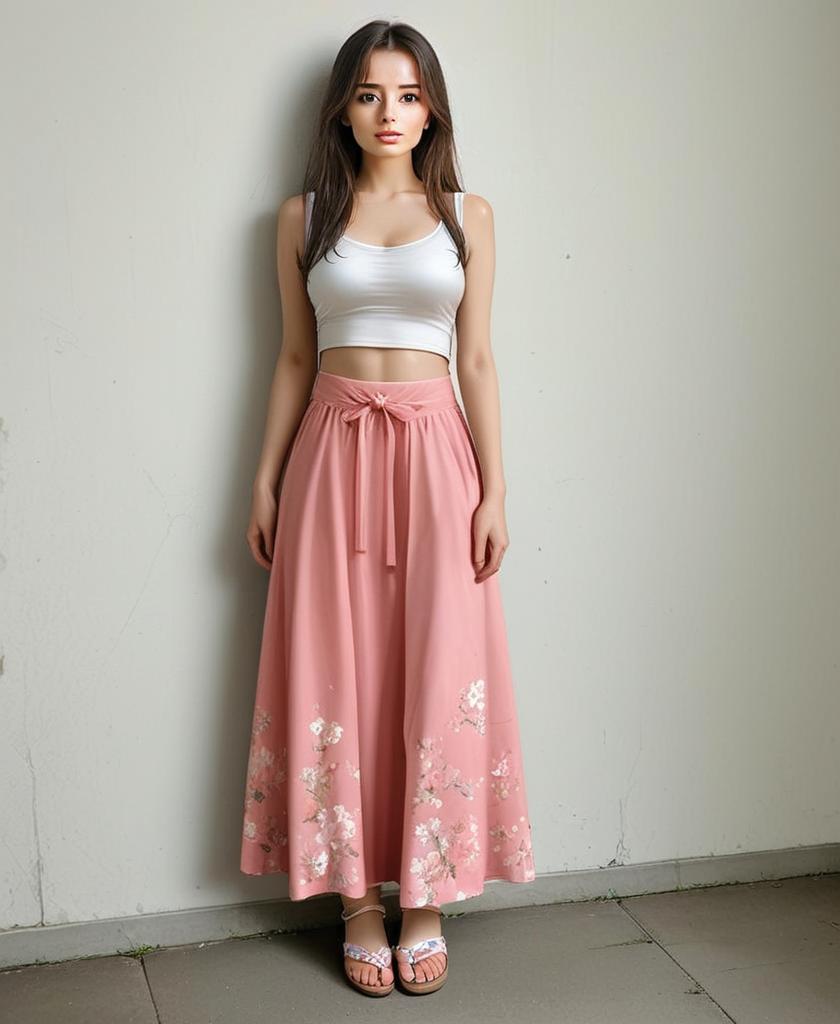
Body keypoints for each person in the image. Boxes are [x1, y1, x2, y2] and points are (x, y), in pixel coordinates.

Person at [238, 20, 536, 998]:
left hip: (437, 456)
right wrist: (264, 478)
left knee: (439, 665)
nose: (389, 113)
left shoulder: (467, 215)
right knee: (338, 668)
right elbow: (293, 355)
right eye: (369, 94)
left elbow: (477, 359)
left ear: (432, 108)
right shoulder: (302, 218)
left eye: (408, 95)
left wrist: (495, 489)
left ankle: (429, 893)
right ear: (343, 109)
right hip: (332, 454)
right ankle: (357, 902)